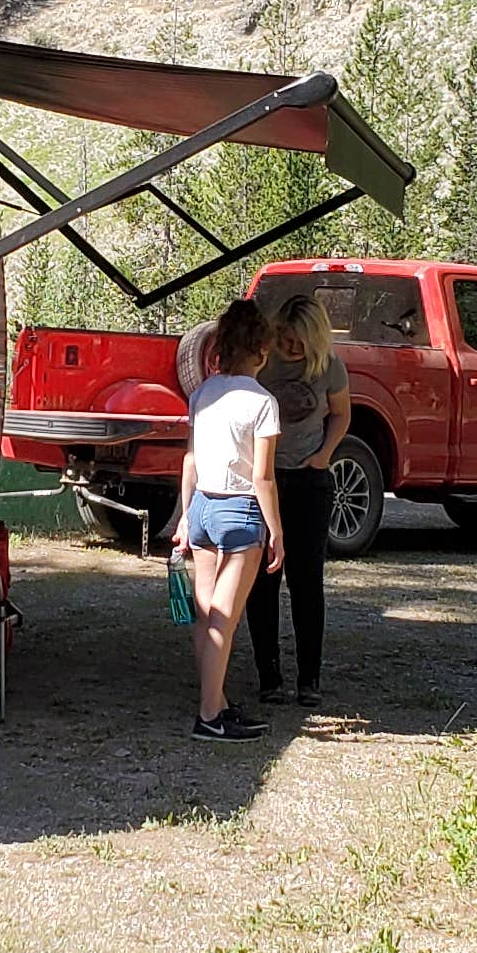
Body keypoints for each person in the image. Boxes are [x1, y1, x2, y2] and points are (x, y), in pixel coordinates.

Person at [173, 297, 284, 740]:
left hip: (201, 506)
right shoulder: (262, 402)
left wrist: (183, 517)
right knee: (225, 618)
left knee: (205, 615)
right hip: (239, 511)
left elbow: (189, 461)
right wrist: (276, 531)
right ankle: (209, 715)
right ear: (260, 350)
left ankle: (215, 700)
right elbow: (263, 477)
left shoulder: (202, 393)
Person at [245, 281, 351, 707]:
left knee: (307, 582)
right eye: (285, 339)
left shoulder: (330, 366)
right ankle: (268, 677)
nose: (291, 348)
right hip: (265, 479)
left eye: (298, 342)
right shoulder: (263, 364)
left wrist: (324, 455)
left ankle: (310, 679)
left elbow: (342, 414)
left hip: (309, 479)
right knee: (261, 580)